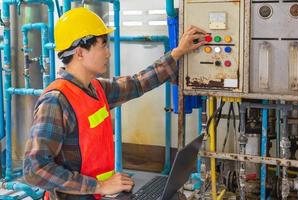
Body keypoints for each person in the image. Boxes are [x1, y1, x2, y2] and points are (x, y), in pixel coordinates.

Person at [23, 7, 206, 200]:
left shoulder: (96, 88)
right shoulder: (56, 100)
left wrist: (177, 53)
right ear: (79, 52)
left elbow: (137, 83)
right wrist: (100, 186)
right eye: (102, 45)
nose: (108, 53)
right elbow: (34, 169)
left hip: (97, 195)